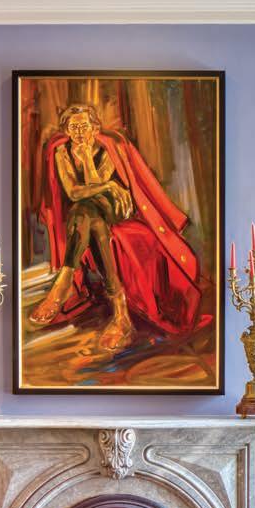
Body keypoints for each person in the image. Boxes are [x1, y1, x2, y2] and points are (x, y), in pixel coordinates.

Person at [30, 103, 204, 352]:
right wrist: (109, 186)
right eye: (73, 127)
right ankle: (120, 312)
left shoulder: (108, 148)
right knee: (90, 217)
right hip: (92, 210)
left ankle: (63, 282)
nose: (79, 132)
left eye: (84, 126)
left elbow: (92, 185)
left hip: (117, 208)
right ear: (66, 130)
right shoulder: (61, 152)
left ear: (95, 127)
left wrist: (88, 160)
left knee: (86, 209)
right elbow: (73, 192)